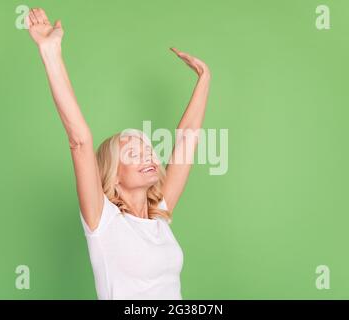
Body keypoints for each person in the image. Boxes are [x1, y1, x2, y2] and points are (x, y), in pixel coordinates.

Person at [26, 8, 211, 299]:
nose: (148, 157)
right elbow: (80, 140)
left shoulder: (159, 215)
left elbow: (187, 139)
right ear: (113, 173)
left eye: (149, 151)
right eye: (133, 154)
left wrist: (204, 78)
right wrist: (50, 52)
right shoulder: (103, 221)